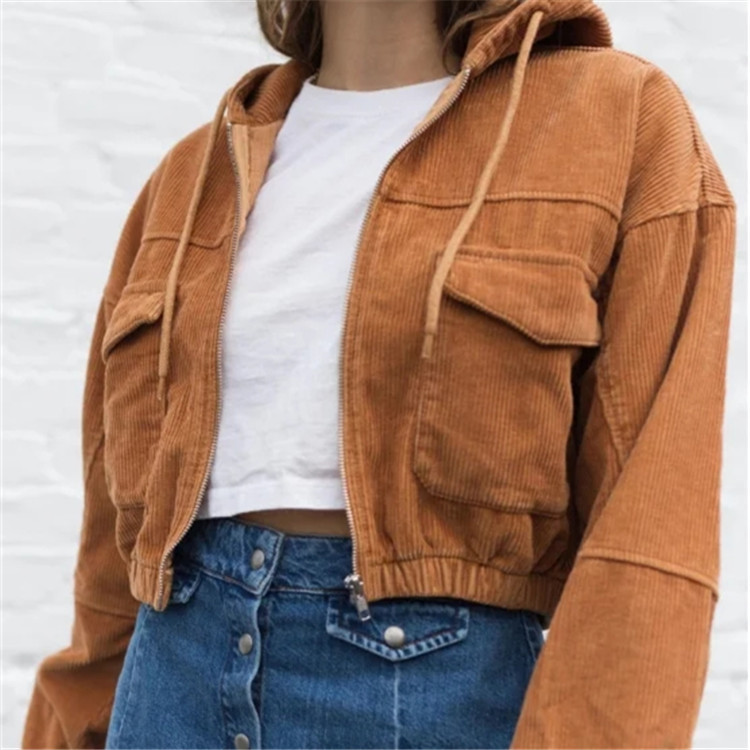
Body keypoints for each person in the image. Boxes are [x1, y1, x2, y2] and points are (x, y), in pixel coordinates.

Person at [21, 0, 737, 748]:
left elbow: (650, 532)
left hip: (432, 702)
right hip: (168, 691)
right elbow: (111, 567)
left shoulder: (614, 119)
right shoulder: (191, 177)